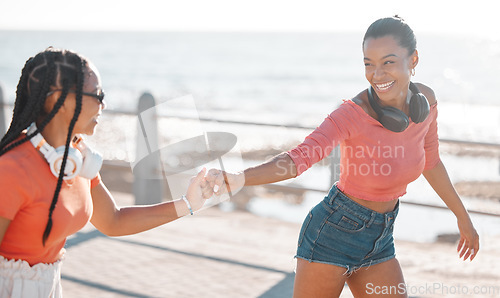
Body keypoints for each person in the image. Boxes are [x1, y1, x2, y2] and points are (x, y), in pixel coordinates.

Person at [207, 16, 480, 297]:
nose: (377, 74)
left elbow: (431, 161)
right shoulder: (351, 114)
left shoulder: (427, 102)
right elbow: (299, 159)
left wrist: (463, 217)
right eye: (368, 64)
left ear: (413, 60)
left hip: (381, 236)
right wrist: (238, 179)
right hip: (333, 234)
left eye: (388, 62)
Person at [0, 47, 213, 297]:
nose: (104, 104)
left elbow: (114, 220)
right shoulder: (12, 170)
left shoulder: (77, 159)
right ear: (59, 100)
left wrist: (188, 203)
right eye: (96, 95)